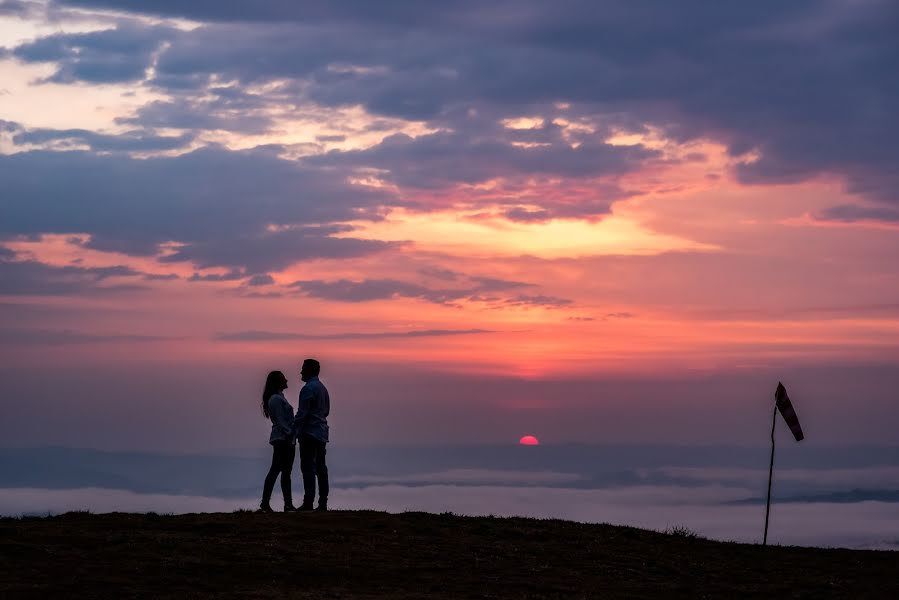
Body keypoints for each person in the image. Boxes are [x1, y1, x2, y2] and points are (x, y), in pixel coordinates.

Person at [293, 358, 330, 511]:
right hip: (321, 433)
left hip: (309, 433)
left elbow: (302, 414)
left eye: (303, 369)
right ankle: (322, 503)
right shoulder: (323, 389)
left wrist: (293, 432)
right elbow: (326, 411)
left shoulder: (308, 389)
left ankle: (308, 502)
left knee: (308, 468)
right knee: (321, 468)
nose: (301, 372)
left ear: (310, 370)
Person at [260, 370, 297, 512]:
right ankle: (268, 502)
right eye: (283, 378)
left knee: (283, 471)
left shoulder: (279, 397)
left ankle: (286, 503)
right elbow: (281, 421)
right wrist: (289, 434)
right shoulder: (276, 399)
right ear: (277, 382)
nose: (286, 380)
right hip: (283, 439)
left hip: (285, 438)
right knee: (277, 469)